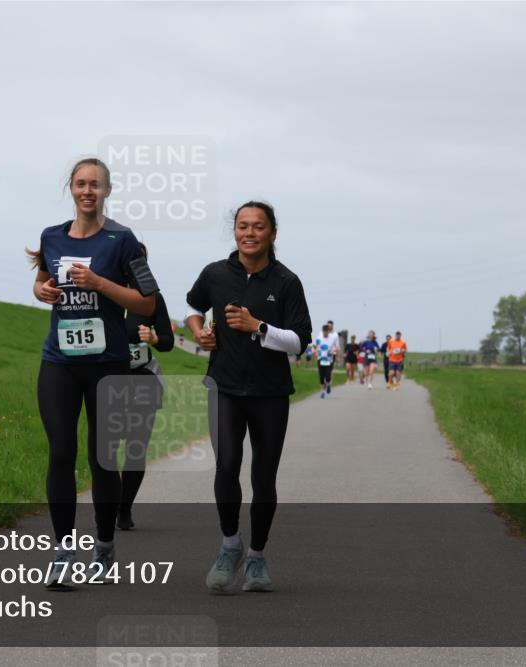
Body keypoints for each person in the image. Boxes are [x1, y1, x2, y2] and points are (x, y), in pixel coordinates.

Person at [27, 157, 157, 588]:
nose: (87, 191)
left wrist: (101, 284)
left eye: (95, 185)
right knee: (61, 452)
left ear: (107, 191)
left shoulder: (123, 240)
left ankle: (103, 546)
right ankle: (63, 551)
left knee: (103, 459)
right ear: (71, 188)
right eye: (81, 184)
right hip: (59, 362)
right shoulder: (51, 236)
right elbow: (43, 280)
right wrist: (42, 290)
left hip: (108, 364)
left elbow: (147, 303)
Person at [185, 201, 312, 593]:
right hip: (223, 387)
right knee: (226, 468)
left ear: (273, 233)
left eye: (258, 227)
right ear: (235, 231)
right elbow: (192, 307)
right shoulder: (215, 274)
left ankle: (256, 557)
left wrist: (258, 327)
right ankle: (229, 546)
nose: (249, 233)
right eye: (242, 226)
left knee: (263, 477)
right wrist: (198, 331)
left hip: (270, 393)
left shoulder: (286, 282)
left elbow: (298, 343)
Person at [118, 243, 174, 531]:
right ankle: (112, 501)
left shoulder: (154, 299)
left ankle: (124, 510)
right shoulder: (103, 295)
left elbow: (168, 341)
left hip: (143, 380)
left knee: (135, 449)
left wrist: (153, 338)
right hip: (108, 383)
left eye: (140, 261)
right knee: (105, 446)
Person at [313, 324, 339, 397]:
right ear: (323, 331)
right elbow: (314, 347)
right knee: (321, 376)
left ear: (328, 331)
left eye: (327, 331)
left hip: (329, 360)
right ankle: (322, 391)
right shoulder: (319, 338)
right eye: (324, 331)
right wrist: (315, 352)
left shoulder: (332, 338)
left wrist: (334, 353)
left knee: (328, 376)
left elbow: (336, 348)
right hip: (320, 359)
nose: (325, 333)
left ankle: (328, 384)